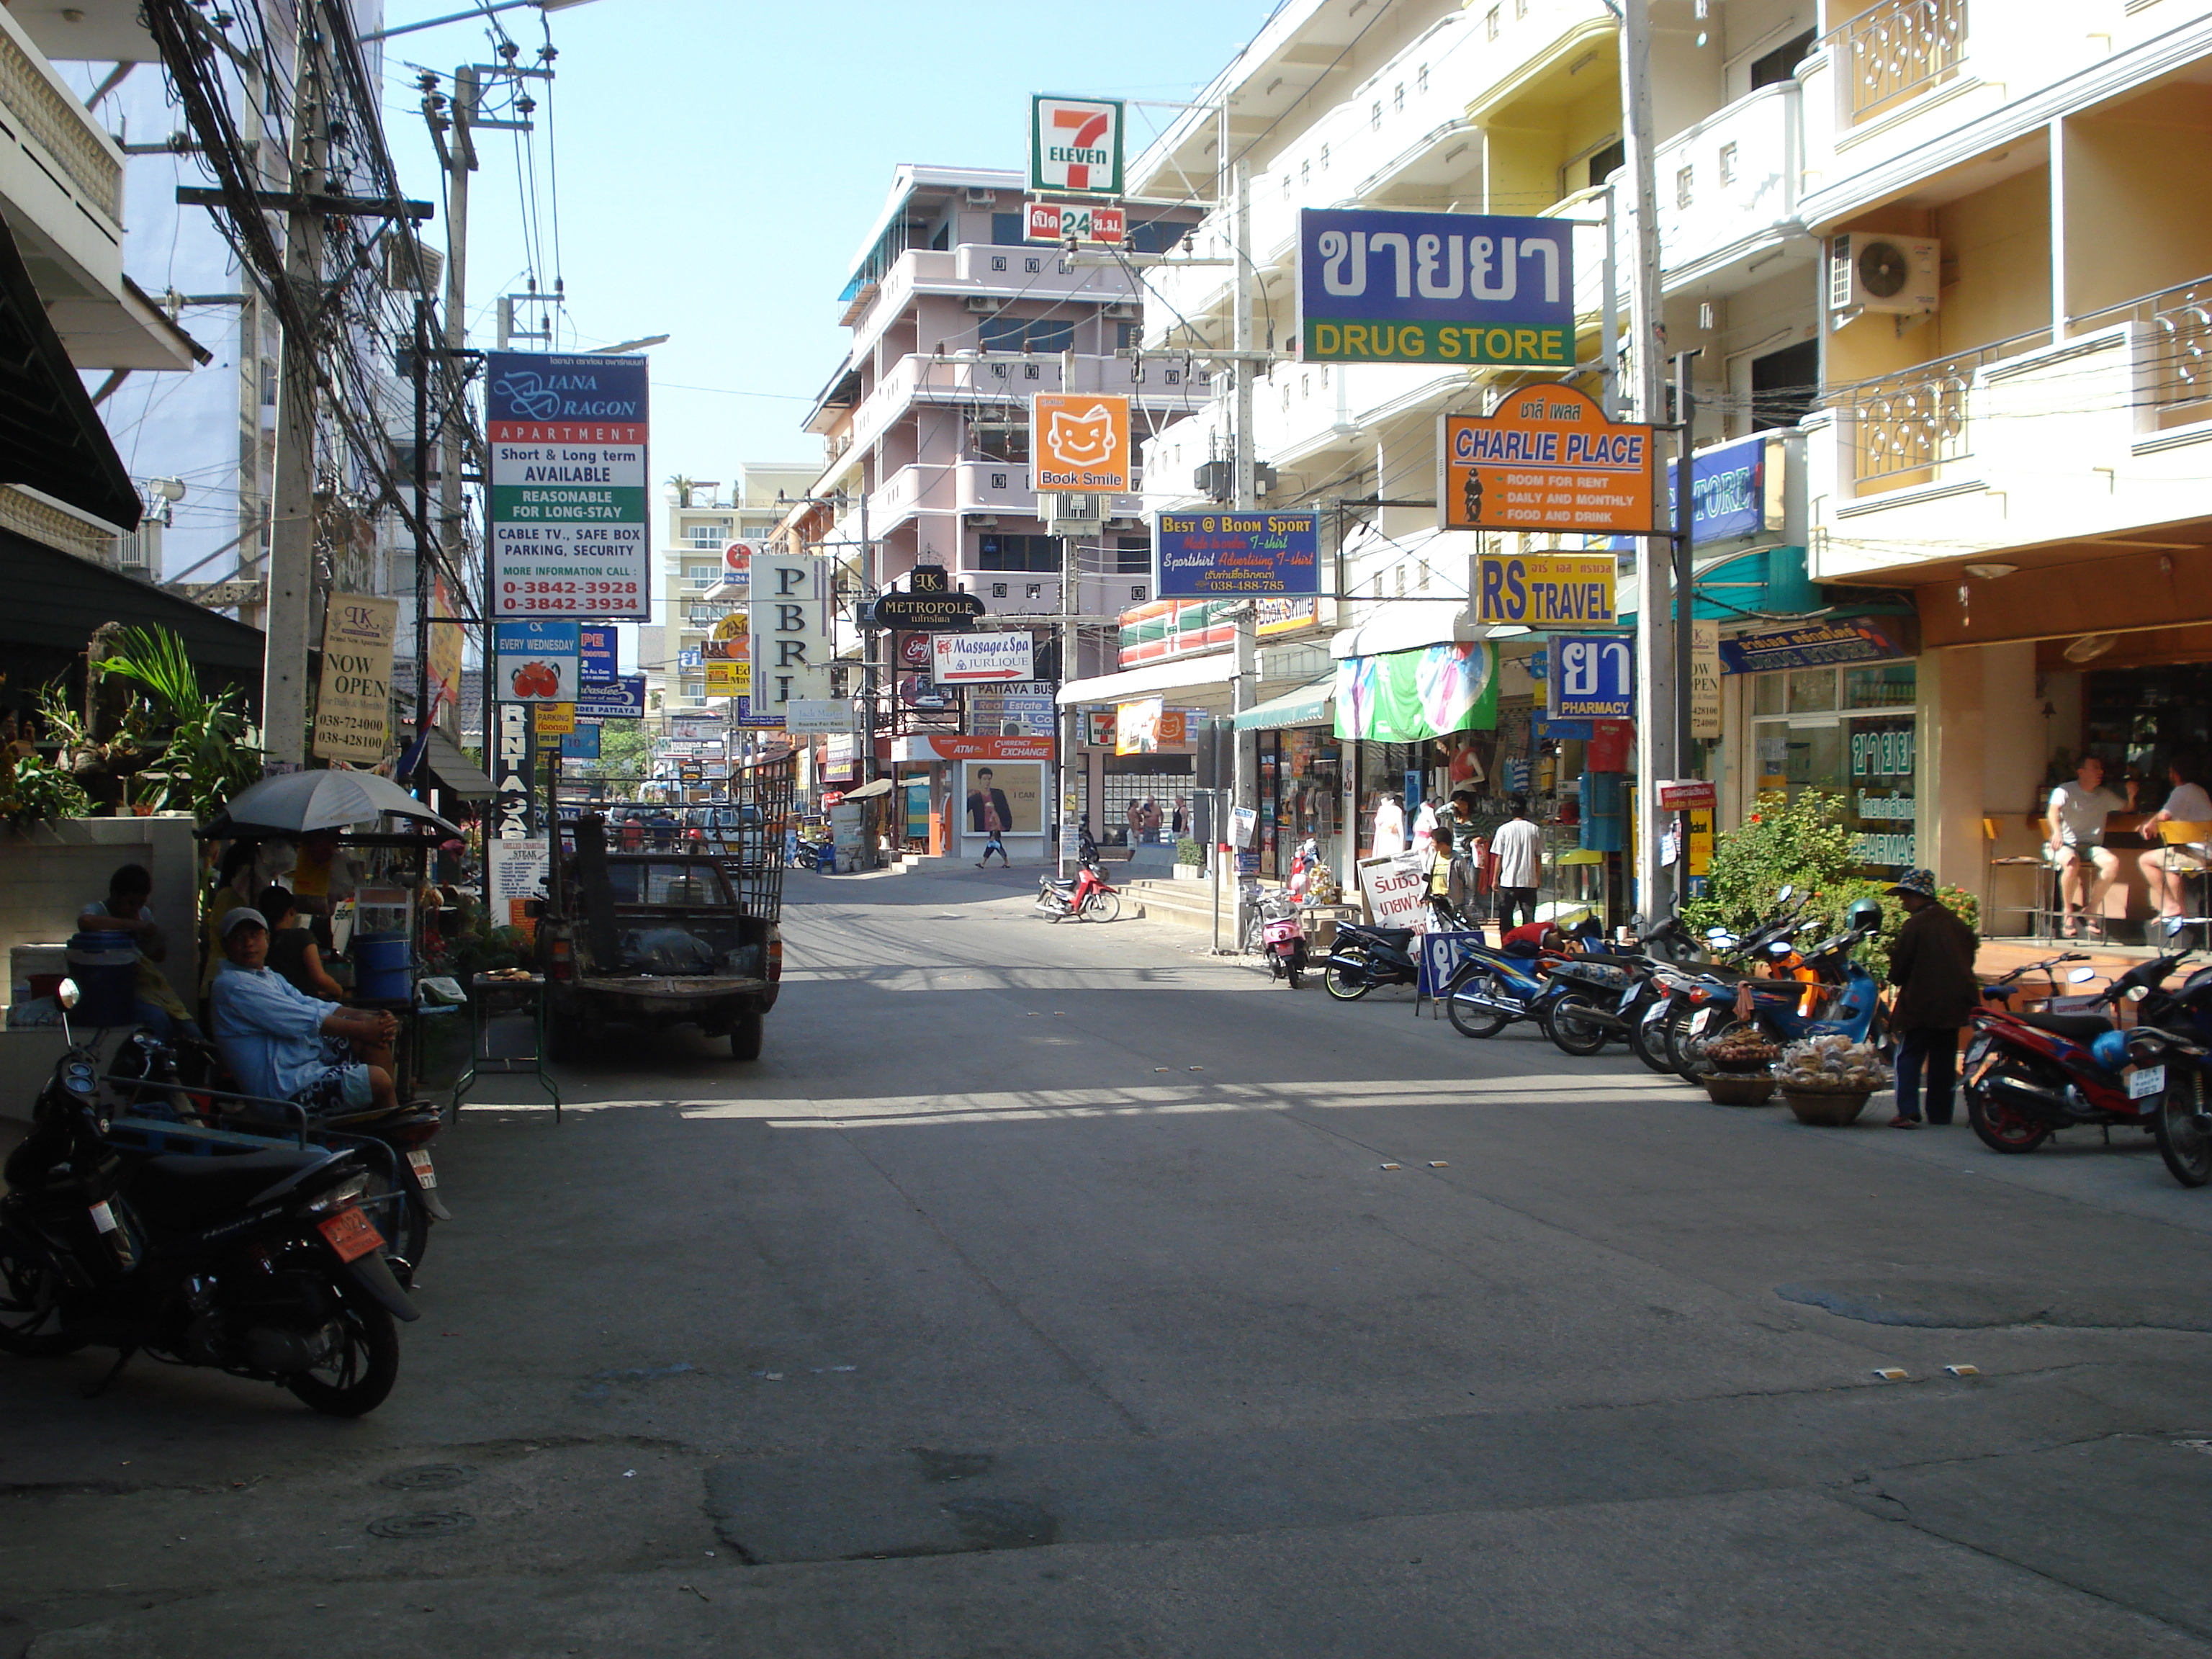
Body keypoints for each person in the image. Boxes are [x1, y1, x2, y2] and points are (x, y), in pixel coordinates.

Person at [210, 908, 398, 1117]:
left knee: (374, 1040)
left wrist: (370, 1019)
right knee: (378, 1080)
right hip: (285, 1092)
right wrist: (363, 1027)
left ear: (267, 938)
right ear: (225, 946)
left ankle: (385, 1119)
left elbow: (310, 1004)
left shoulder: (267, 976)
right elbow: (303, 1019)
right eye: (238, 938)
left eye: (254, 935)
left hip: (306, 1067)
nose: (248, 944)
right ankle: (390, 1129)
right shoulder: (233, 985)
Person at [1884, 868, 1980, 1129]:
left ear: (1916, 896)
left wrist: (1894, 978)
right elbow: (1968, 960)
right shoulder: (1957, 925)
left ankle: (1907, 1110)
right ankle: (1940, 1114)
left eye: (1904, 897)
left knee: (1909, 1056)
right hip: (1954, 1004)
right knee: (1943, 1060)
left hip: (1921, 1004)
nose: (1902, 903)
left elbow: (1900, 967)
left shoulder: (1915, 926)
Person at [80, 863, 201, 1040]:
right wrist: (131, 925)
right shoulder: (97, 911)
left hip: (142, 985)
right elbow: (86, 922)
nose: (135, 908)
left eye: (140, 903)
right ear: (115, 896)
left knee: (190, 1031)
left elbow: (159, 957)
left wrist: (149, 937)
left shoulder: (143, 914)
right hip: (109, 988)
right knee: (158, 1021)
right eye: (130, 903)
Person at [2046, 755, 2131, 938]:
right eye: (2095, 768)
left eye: (2100, 768)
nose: (2100, 772)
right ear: (2081, 771)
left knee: (2112, 863)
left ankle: (2091, 909)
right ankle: (2067, 913)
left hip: (2091, 846)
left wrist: (2132, 794)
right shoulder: (2064, 790)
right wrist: (2057, 832)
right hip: (2067, 844)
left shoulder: (2104, 794)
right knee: (2071, 862)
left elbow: (2126, 809)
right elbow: (2053, 811)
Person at [2139, 752, 2212, 935]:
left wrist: (2149, 824)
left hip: (2197, 854)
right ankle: (2182, 914)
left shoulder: (2182, 791)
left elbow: (2165, 815)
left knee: (2146, 860)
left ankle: (2171, 907)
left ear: (2176, 774)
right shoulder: (2199, 791)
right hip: (2207, 852)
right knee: (2171, 861)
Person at [256, 884, 346, 1000]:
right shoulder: (302, 937)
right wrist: (338, 991)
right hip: (304, 1006)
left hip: (272, 1000)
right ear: (291, 911)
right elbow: (319, 979)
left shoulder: (260, 942)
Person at [1491, 796, 1544, 935]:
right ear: (1526, 811)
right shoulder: (1535, 830)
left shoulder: (1503, 830)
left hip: (1509, 881)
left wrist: (1495, 879)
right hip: (1529, 881)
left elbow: (1498, 857)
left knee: (1506, 916)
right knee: (1529, 917)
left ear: (1510, 811)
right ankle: (1528, 944)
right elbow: (1538, 857)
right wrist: (1538, 877)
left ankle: (1508, 943)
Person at [1370, 791, 1406, 858]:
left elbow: (1402, 832)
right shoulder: (1381, 809)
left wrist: (1401, 851)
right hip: (1382, 840)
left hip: (1392, 840)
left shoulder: (1397, 810)